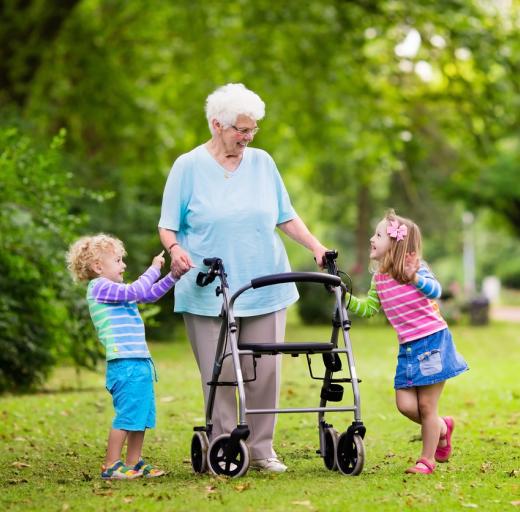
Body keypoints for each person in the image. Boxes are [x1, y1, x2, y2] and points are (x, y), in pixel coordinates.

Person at [158, 83, 328, 473]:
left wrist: (316, 247)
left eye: (253, 130)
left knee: (264, 371)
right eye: (241, 130)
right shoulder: (187, 166)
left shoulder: (263, 163)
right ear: (217, 125)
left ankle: (262, 449)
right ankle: (223, 446)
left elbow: (285, 214)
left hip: (265, 282)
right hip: (207, 288)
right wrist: (175, 250)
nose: (248, 137)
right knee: (217, 373)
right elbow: (168, 226)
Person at [346, 209, 468, 475]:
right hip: (408, 348)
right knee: (405, 405)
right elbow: (368, 309)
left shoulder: (417, 270)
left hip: (433, 342)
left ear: (395, 242)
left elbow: (436, 291)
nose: (371, 238)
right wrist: (344, 298)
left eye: (378, 234)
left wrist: (414, 277)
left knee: (426, 407)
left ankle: (426, 461)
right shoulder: (378, 279)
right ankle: (443, 427)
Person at [66, 234, 179, 480]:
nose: (123, 265)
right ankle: (111, 465)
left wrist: (173, 276)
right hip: (124, 363)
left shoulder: (117, 291)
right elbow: (137, 289)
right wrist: (153, 269)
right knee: (128, 415)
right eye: (117, 260)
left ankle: (134, 462)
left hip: (138, 361)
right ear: (98, 267)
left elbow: (147, 295)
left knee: (141, 414)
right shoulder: (99, 287)